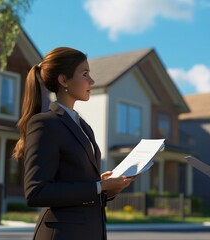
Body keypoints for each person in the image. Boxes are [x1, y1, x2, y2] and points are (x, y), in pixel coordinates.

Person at [13, 47, 133, 240]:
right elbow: (37, 192)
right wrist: (99, 186)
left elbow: (77, 184)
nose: (92, 81)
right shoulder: (44, 123)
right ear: (63, 80)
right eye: (85, 74)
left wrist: (107, 187)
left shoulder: (83, 126)